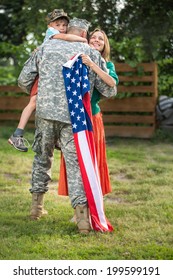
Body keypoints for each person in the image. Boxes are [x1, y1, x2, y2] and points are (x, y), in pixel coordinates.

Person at [17, 18, 117, 234]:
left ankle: (36, 208)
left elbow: (24, 80)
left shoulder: (45, 47)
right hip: (74, 118)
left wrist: (43, 93)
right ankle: (82, 220)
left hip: (44, 115)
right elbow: (110, 90)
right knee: (75, 166)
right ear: (84, 34)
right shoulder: (89, 52)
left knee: (42, 159)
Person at [8, 9, 87, 152]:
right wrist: (82, 39)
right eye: (58, 25)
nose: (62, 28)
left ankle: (54, 139)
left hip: (48, 77)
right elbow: (67, 38)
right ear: (50, 26)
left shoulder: (57, 36)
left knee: (47, 105)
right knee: (33, 103)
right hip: (42, 78)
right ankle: (17, 134)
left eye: (64, 25)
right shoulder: (52, 34)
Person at [58, 28, 119, 199]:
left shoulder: (108, 64)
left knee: (93, 159)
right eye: (94, 37)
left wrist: (92, 64)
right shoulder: (77, 57)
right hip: (75, 117)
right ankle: (79, 206)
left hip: (92, 117)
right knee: (76, 161)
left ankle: (95, 202)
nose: (97, 40)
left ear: (104, 44)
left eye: (101, 38)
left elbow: (111, 83)